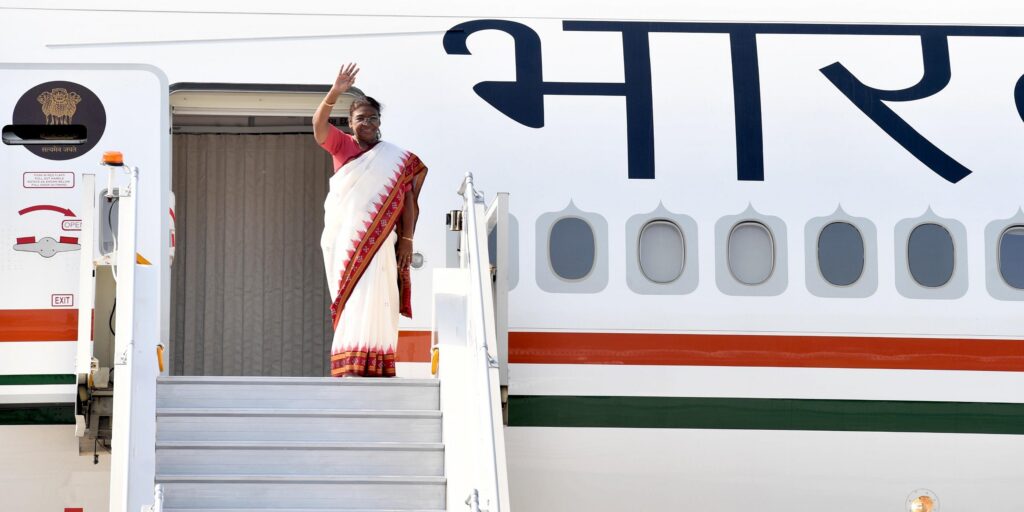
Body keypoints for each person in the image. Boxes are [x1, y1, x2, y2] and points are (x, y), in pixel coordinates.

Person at [313, 63, 427, 377]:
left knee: (380, 297)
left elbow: (407, 201)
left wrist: (407, 240)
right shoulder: (342, 145)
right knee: (353, 297)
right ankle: (350, 363)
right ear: (350, 123)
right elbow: (319, 126)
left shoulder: (396, 158)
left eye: (373, 118)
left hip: (382, 241)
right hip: (347, 240)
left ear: (379, 123)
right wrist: (334, 92)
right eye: (361, 118)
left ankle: (377, 363)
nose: (367, 122)